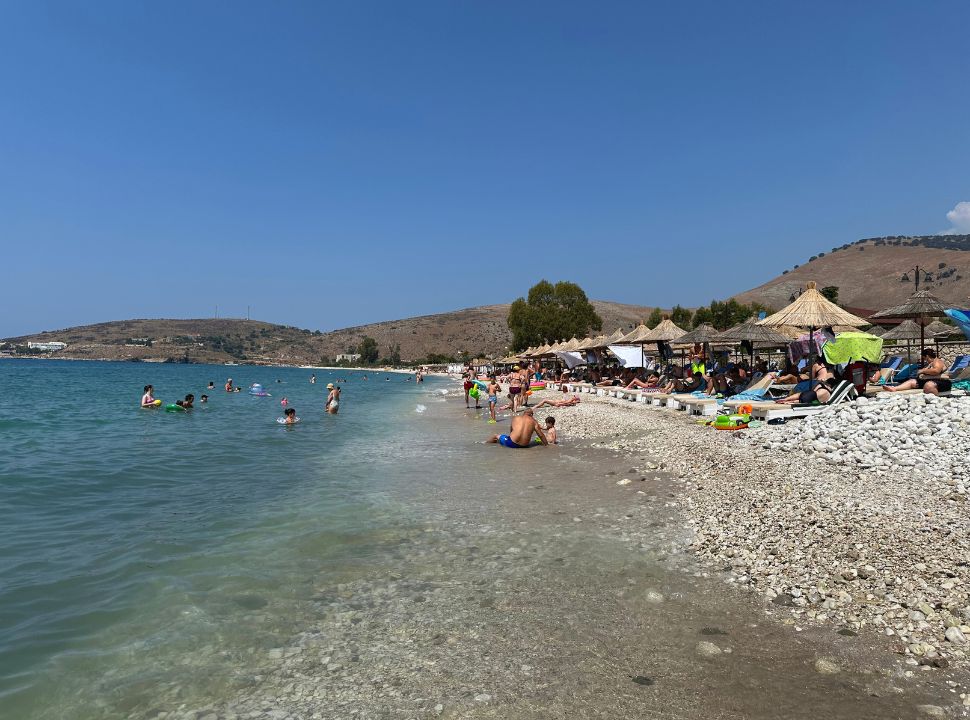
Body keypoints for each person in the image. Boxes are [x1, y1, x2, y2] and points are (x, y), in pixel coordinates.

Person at [884, 348, 951, 395]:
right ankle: (894, 388)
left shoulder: (937, 361)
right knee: (912, 381)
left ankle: (936, 402)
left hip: (943, 382)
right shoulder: (931, 363)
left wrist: (923, 370)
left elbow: (936, 371)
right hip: (933, 380)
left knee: (929, 385)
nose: (925, 360)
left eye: (924, 358)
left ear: (927, 356)